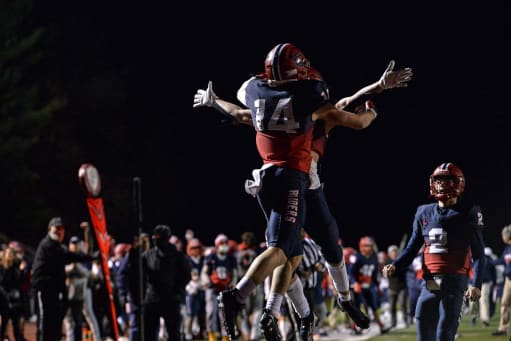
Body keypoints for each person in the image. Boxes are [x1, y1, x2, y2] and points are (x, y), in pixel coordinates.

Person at [193, 44, 412, 340]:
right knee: (289, 250)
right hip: (295, 181)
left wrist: (215, 101)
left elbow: (244, 115)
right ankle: (290, 308)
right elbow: (357, 116)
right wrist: (372, 110)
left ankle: (325, 306)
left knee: (308, 250)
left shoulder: (288, 107)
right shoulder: (317, 109)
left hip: (281, 179)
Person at [382, 163, 486, 341]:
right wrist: (395, 265)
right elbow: (411, 248)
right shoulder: (423, 212)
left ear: (457, 183)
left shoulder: (469, 212)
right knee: (423, 324)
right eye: (437, 180)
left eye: (445, 180)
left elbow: (479, 254)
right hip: (430, 280)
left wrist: (476, 284)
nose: (440, 184)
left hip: (455, 281)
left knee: (445, 333)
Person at [30, 216, 98, 341]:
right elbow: (66, 257)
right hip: (44, 291)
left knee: (57, 325)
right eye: (57, 228)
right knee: (45, 324)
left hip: (58, 292)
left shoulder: (58, 246)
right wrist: (89, 257)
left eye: (61, 229)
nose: (59, 231)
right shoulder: (48, 245)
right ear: (49, 229)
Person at [140, 224, 191, 341]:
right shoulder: (148, 255)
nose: (157, 242)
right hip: (152, 299)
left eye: (159, 239)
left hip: (171, 299)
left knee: (174, 333)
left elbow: (185, 276)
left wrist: (177, 291)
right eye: (155, 239)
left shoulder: (178, 256)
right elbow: (141, 276)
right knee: (149, 333)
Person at [490, 224, 511, 336]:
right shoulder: (507, 249)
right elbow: (500, 261)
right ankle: (503, 329)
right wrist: (488, 262)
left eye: (504, 235)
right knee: (504, 303)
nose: (502, 237)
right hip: (509, 280)